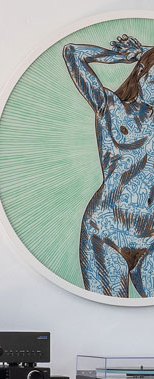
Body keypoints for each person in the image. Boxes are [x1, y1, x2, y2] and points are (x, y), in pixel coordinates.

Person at [63, 33, 154, 297]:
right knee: (108, 319)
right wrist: (127, 56)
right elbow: (72, 53)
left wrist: (147, 51)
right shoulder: (110, 107)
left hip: (149, 237)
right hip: (106, 232)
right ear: (142, 74)